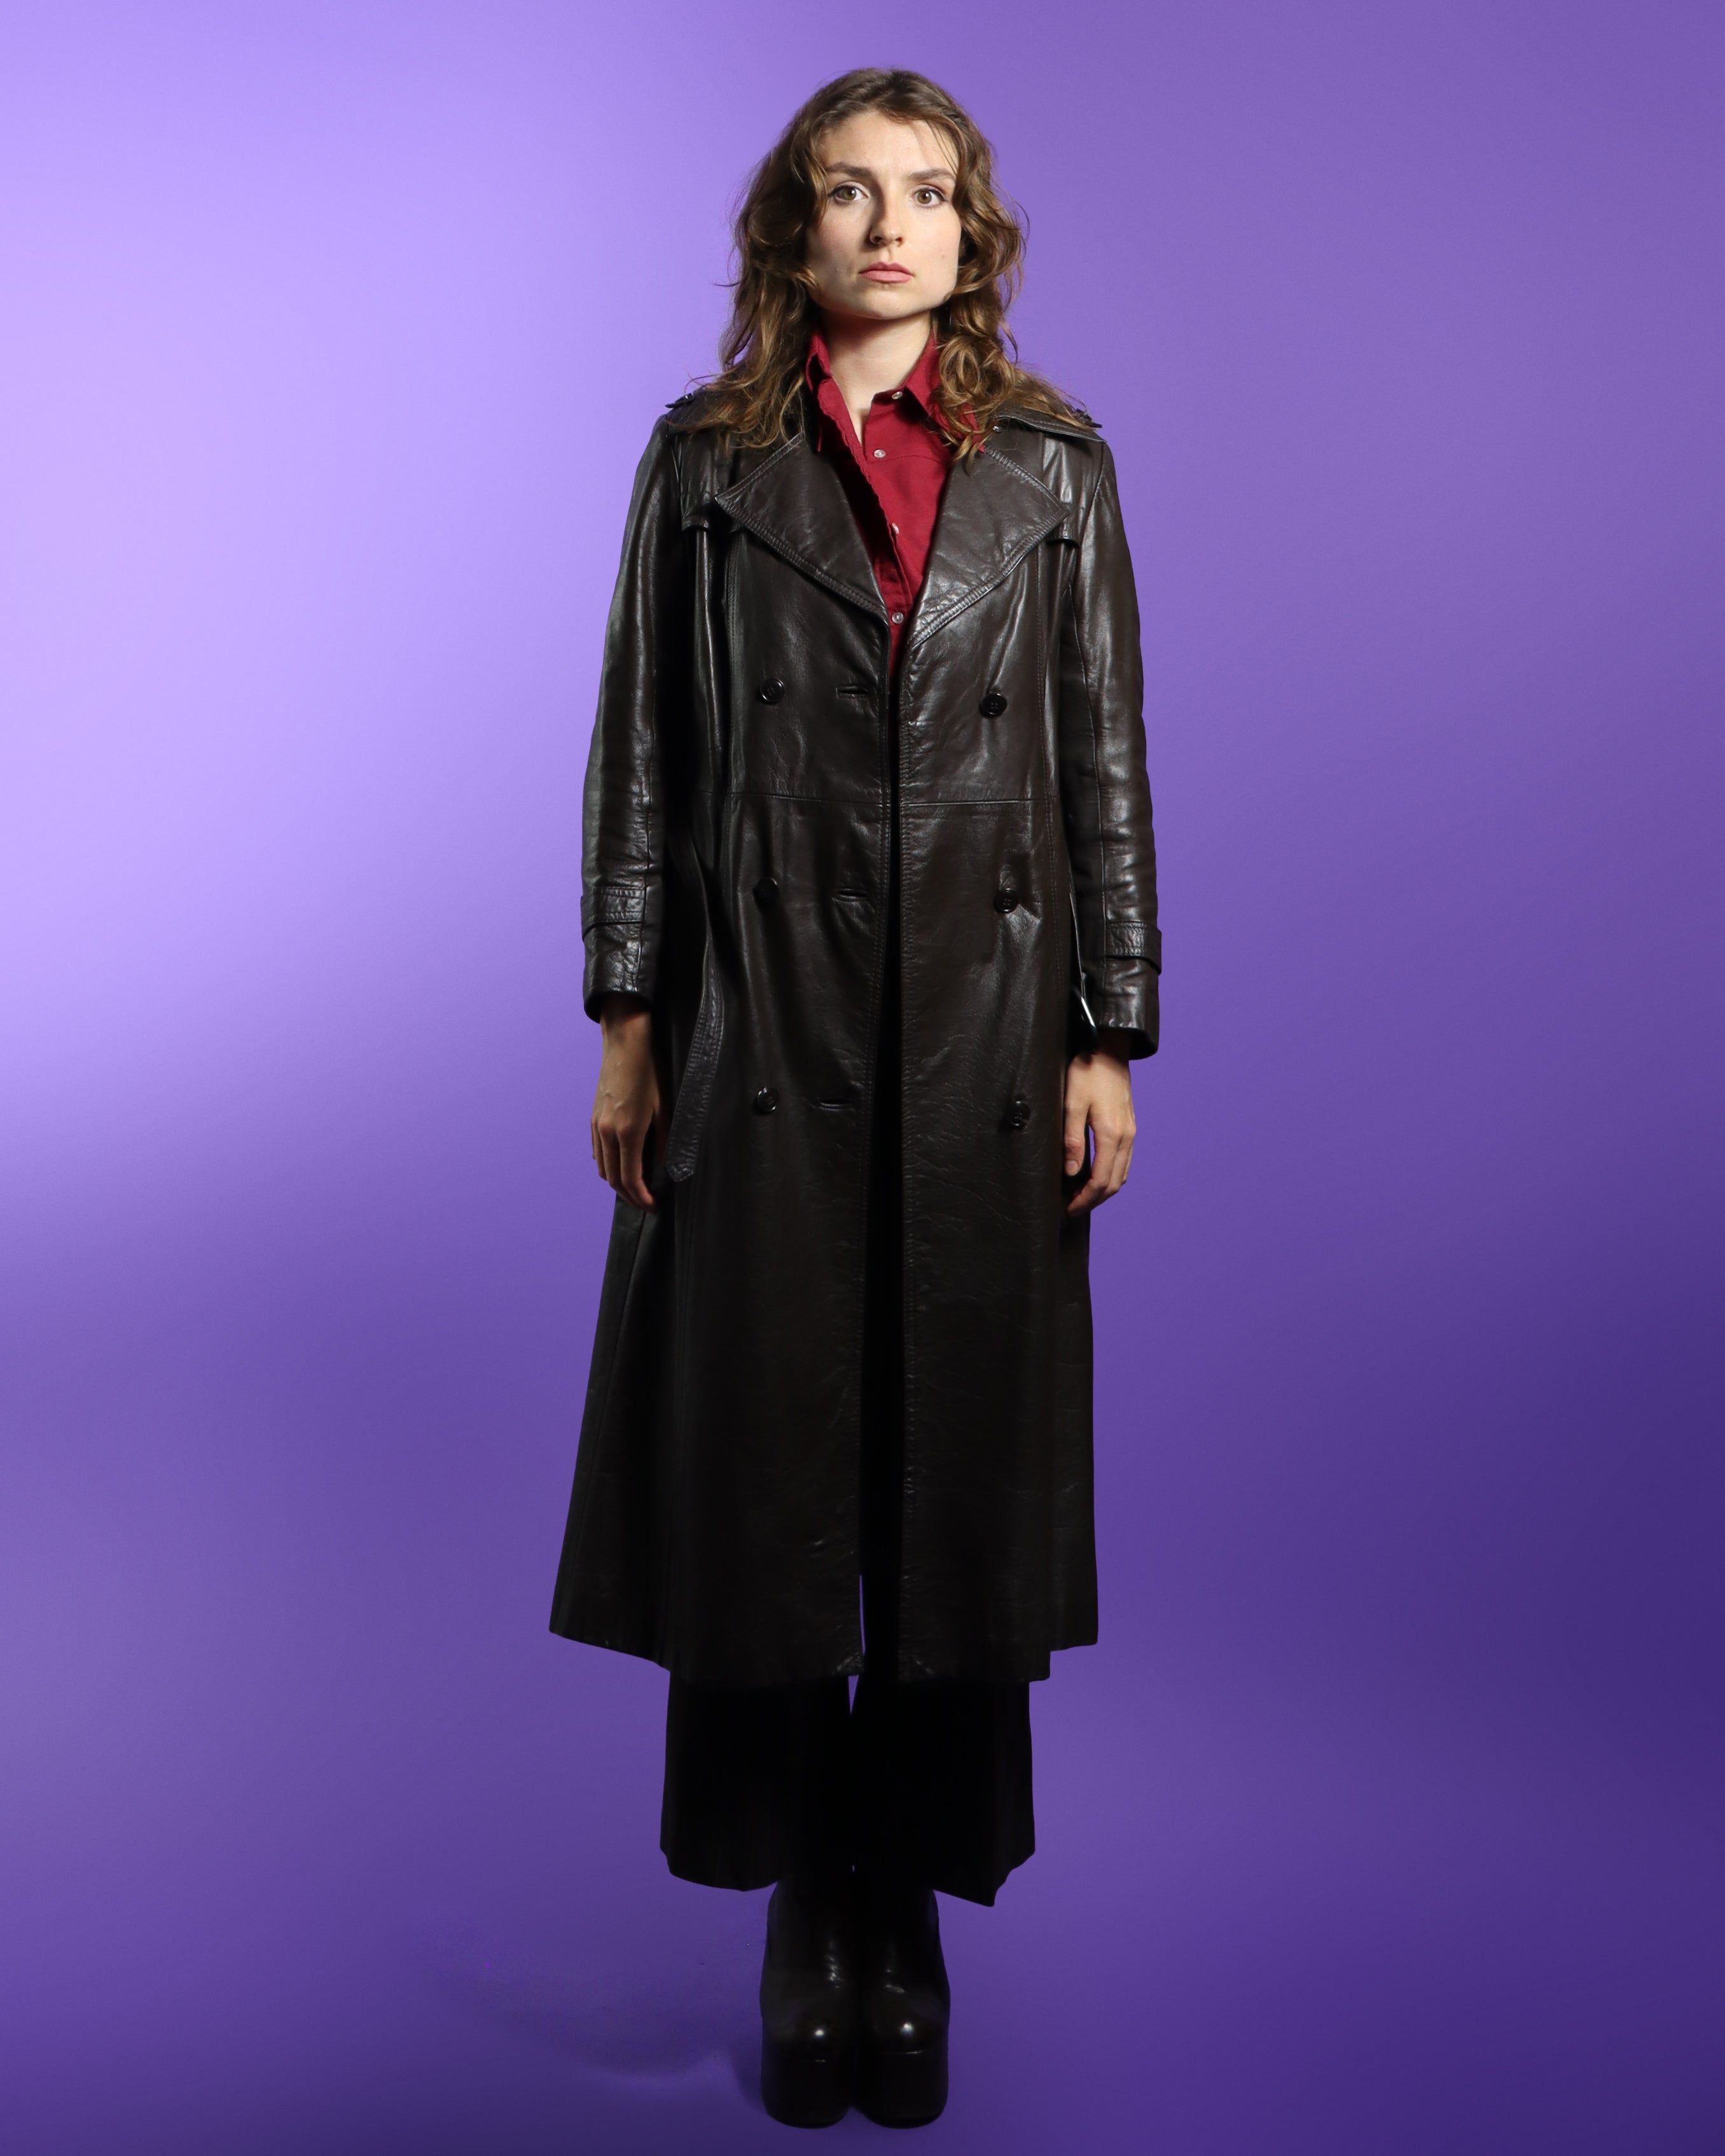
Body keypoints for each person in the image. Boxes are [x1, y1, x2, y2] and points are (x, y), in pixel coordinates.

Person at [550, 66, 1158, 2129]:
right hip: (766, 1031)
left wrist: (1107, 1030)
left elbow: (1103, 762)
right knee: (774, 1478)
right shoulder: (705, 463)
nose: (889, 226)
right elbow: (642, 745)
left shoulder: (1055, 470)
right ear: (790, 227)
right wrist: (630, 1013)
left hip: (987, 1033)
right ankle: (805, 1907)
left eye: (927, 192)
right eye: (847, 191)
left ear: (971, 232)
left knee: (949, 1480)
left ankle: (908, 1912)